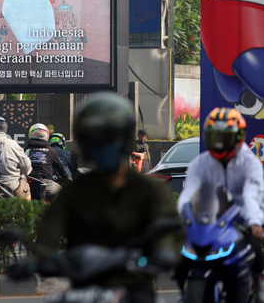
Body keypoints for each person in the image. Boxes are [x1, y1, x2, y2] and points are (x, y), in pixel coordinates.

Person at [35, 93, 183, 303]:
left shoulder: (149, 189)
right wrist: (40, 258)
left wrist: (164, 252)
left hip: (133, 287)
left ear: (124, 140)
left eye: (110, 138)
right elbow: (51, 227)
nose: (103, 146)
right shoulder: (74, 192)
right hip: (84, 288)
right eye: (94, 139)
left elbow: (168, 229)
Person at [175, 107, 264, 298]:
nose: (219, 143)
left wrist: (255, 221)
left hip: (241, 219)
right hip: (208, 221)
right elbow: (188, 194)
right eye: (215, 137)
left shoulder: (250, 164)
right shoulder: (200, 163)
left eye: (225, 137)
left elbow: (251, 195)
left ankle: (258, 285)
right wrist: (181, 215)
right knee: (181, 263)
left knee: (255, 249)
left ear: (238, 137)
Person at [24, 123, 70, 202]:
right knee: (63, 192)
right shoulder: (50, 151)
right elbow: (61, 168)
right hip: (45, 183)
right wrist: (67, 179)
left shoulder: (26, 150)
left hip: (28, 183)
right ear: (46, 135)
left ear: (31, 134)